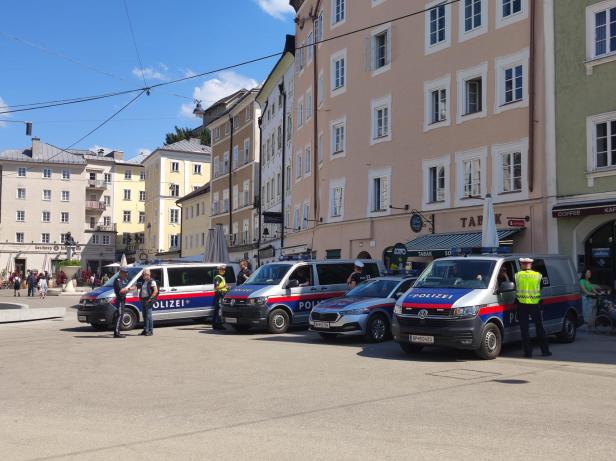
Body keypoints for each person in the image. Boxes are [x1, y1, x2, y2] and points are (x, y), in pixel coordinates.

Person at [514, 257, 551, 358]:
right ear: (530, 265)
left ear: (522, 265)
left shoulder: (517, 275)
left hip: (521, 305)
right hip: (535, 305)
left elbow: (515, 287)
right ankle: (545, 351)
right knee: (539, 328)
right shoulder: (538, 276)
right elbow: (541, 287)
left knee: (524, 330)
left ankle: (528, 353)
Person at [136, 269, 158, 336]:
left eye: (143, 274)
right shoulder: (144, 281)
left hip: (148, 300)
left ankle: (150, 331)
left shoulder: (152, 281)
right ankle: (145, 330)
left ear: (148, 275)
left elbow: (155, 291)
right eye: (143, 274)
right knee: (144, 315)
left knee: (149, 316)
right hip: (143, 299)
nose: (142, 276)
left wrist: (150, 298)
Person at [112, 267, 131, 338]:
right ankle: (116, 333)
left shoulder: (122, 280)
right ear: (121, 273)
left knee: (120, 315)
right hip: (119, 300)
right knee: (119, 315)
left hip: (122, 300)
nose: (126, 274)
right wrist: (129, 288)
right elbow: (121, 291)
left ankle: (117, 332)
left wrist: (127, 290)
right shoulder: (117, 280)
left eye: (126, 273)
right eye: (125, 273)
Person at [212, 264, 228, 330]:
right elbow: (216, 287)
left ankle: (215, 324)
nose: (223, 271)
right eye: (222, 270)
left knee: (217, 310)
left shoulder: (221, 277)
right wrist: (224, 287)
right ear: (219, 270)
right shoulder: (218, 277)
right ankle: (218, 324)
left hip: (221, 294)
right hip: (219, 294)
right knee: (219, 310)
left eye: (224, 270)